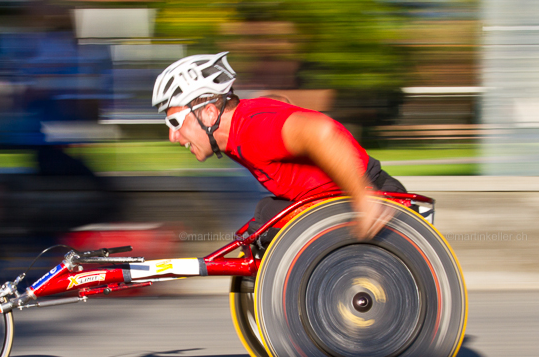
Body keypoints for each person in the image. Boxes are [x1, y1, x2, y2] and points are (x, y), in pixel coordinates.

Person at [151, 52, 405, 251]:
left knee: (264, 227)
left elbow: (322, 131)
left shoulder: (253, 130)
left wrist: (363, 198)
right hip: (327, 202)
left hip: (374, 199)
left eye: (175, 122)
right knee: (261, 224)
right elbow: (280, 102)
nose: (172, 136)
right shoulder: (239, 123)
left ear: (209, 113)